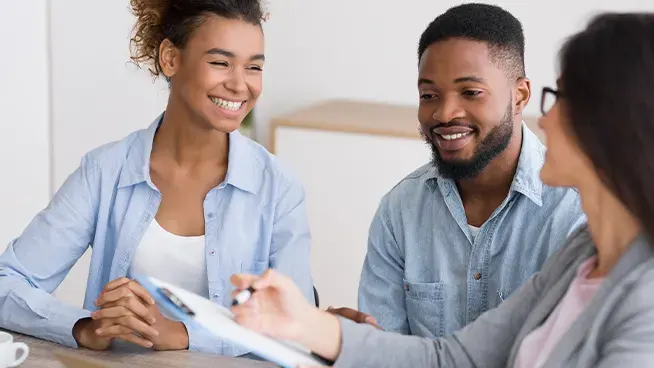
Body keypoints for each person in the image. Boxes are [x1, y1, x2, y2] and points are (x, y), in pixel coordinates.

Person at [231, 12, 654, 367]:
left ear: (616, 123)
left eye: (561, 99)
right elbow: (452, 357)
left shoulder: (644, 296)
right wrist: (302, 322)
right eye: (430, 94)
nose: (548, 119)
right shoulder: (581, 256)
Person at [0, 0, 314, 357]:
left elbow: (299, 328)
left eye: (254, 67)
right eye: (220, 63)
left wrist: (183, 334)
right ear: (170, 58)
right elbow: (6, 284)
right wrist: (85, 326)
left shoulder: (278, 188)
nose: (240, 84)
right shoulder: (105, 172)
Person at [328, 3, 585, 337]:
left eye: (470, 92)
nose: (445, 113)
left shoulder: (576, 212)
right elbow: (385, 352)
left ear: (519, 96)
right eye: (429, 94)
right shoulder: (399, 211)